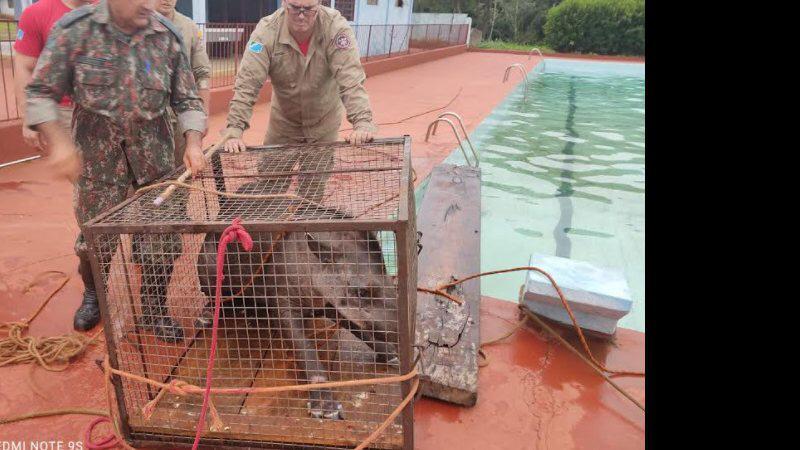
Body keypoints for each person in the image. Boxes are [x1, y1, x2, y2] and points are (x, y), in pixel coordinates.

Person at [25, 0, 208, 340]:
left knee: (161, 238)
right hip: (97, 163)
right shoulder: (75, 30)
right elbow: (39, 92)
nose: (149, 4)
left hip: (155, 163)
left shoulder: (166, 36)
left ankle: (155, 309)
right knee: (94, 239)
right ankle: (94, 295)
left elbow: (187, 100)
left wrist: (194, 142)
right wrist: (60, 142)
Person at [222, 0, 378, 201]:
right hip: (283, 123)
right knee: (270, 183)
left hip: (323, 121)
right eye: (295, 8)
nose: (302, 15)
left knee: (313, 189)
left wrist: (362, 121)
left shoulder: (335, 28)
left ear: (319, 5)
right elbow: (247, 84)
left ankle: (307, 219)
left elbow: (350, 79)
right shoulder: (266, 32)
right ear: (284, 3)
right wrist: (235, 129)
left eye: (309, 9)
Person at [13, 0, 96, 152]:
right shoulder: (37, 13)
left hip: (103, 112)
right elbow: (24, 67)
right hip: (60, 114)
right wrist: (29, 118)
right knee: (73, 165)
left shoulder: (109, 10)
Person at [155, 0, 211, 162]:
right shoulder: (137, 24)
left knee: (182, 169)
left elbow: (202, 74)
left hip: (181, 120)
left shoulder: (189, 27)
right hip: (148, 123)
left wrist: (204, 115)